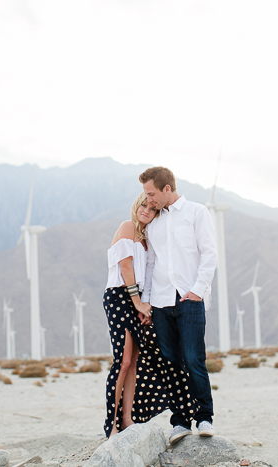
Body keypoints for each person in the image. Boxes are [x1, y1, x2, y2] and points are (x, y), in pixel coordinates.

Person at [102, 192, 196, 438]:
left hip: (137, 300)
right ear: (137, 205)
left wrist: (145, 305)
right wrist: (137, 302)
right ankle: (111, 426)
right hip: (119, 297)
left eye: (152, 209)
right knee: (122, 362)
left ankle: (128, 419)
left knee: (134, 363)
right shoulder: (126, 227)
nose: (147, 211)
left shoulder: (146, 239)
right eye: (144, 205)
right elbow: (125, 266)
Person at [139, 166, 218, 444]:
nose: (148, 199)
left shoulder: (197, 213)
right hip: (160, 301)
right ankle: (180, 421)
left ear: (167, 189)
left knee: (194, 359)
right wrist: (146, 300)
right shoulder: (154, 223)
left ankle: (204, 417)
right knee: (170, 362)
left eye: (151, 193)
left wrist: (197, 290)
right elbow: (150, 264)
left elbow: (209, 253)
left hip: (189, 298)